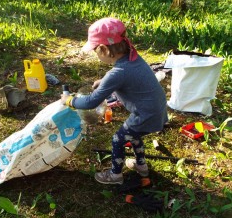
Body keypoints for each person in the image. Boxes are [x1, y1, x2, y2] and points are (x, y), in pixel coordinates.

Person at [61, 17, 168, 185]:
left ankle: (115, 175)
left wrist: (69, 100)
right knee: (134, 134)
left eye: (96, 51)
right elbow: (122, 77)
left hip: (145, 114)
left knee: (118, 139)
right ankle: (141, 166)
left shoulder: (118, 73)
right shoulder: (133, 57)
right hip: (156, 110)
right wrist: (104, 82)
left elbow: (90, 102)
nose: (96, 55)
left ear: (103, 49)